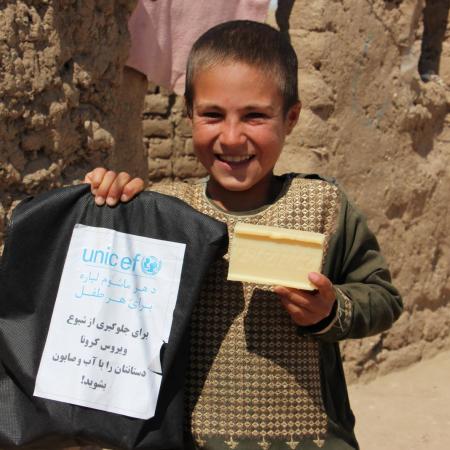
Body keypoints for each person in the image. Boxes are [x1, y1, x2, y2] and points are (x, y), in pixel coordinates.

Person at [84, 20, 403, 450]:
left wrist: (331, 310)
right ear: (189, 115)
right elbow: (110, 303)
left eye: (254, 116)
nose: (232, 138)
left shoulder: (324, 208)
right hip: (185, 437)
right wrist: (110, 204)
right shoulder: (164, 211)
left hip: (307, 438)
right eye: (212, 115)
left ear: (291, 118)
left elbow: (383, 298)